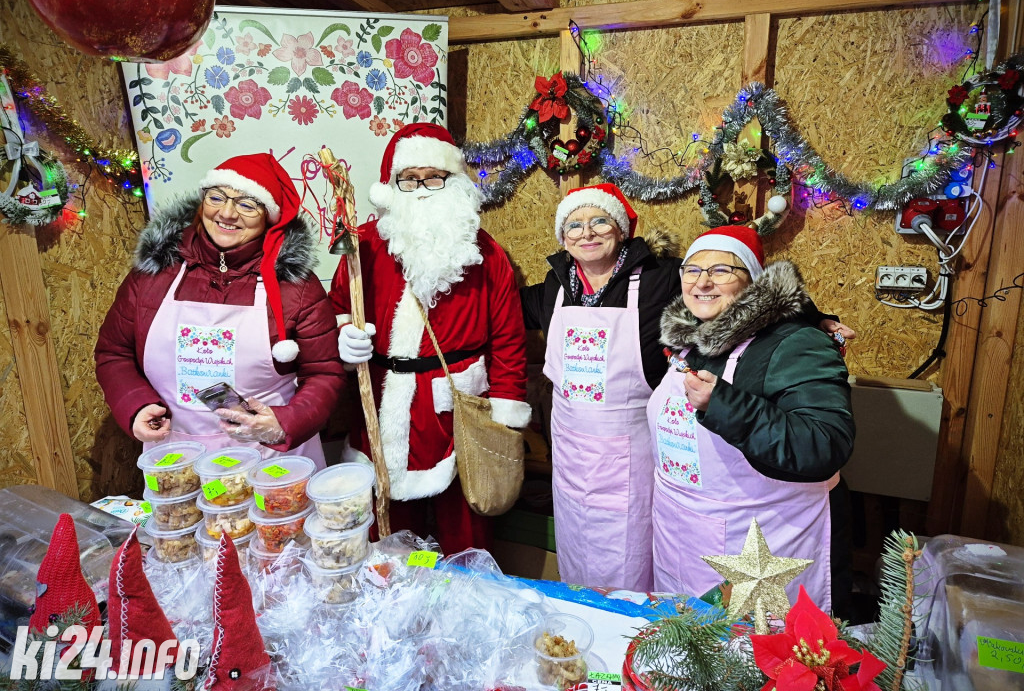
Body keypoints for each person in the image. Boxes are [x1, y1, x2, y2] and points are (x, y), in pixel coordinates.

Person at [332, 123, 531, 554]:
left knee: (463, 533)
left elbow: (510, 341)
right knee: (385, 533)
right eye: (409, 178)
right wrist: (344, 338)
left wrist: (506, 412)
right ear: (392, 185)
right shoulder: (363, 245)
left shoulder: (485, 252)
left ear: (453, 181)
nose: (421, 188)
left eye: (433, 177)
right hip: (383, 406)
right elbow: (337, 306)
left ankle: (466, 607)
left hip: (459, 413)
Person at [648, 225, 854, 613]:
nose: (702, 282)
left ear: (753, 283)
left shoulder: (796, 342)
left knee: (752, 661)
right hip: (682, 537)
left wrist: (723, 405)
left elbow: (825, 444)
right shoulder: (691, 338)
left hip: (763, 542)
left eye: (722, 270)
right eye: (692, 270)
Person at [96, 153, 343, 468]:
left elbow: (324, 373)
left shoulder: (296, 287)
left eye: (247, 205)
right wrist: (135, 405)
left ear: (269, 217)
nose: (227, 213)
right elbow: (114, 353)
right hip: (178, 462)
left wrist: (284, 422)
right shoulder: (154, 274)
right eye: (217, 197)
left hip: (271, 463)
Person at [520, 184, 683, 591]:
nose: (586, 233)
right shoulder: (556, 283)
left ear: (621, 229)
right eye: (573, 225)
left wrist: (812, 316)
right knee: (577, 551)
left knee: (631, 554)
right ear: (562, 237)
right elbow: (497, 305)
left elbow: (723, 291)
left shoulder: (659, 278)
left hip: (630, 451)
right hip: (570, 450)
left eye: (599, 221)